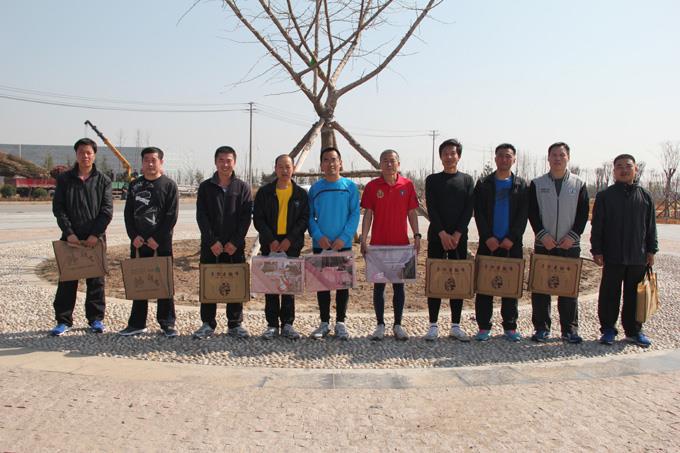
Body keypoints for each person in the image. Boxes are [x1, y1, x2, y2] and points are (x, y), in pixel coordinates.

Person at [591, 154, 658, 347]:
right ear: (614, 171)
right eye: (619, 166)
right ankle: (608, 329)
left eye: (628, 166)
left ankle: (634, 331)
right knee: (609, 294)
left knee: (634, 295)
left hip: (638, 255)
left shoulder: (645, 196)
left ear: (635, 169)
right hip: (613, 255)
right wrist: (597, 250)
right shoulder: (605, 196)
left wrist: (651, 250)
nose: (624, 170)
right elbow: (598, 226)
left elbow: (651, 226)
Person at [50, 137, 113, 336]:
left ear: (94, 155)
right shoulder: (64, 179)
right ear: (76, 155)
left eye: (88, 153)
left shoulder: (103, 180)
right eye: (81, 152)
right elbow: (59, 208)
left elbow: (107, 211)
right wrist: (69, 233)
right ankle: (63, 320)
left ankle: (95, 319)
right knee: (68, 280)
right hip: (71, 239)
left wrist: (95, 234)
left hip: (95, 239)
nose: (85, 156)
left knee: (96, 281)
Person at [528, 142, 589, 344]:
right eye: (554, 155)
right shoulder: (537, 184)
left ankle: (569, 329)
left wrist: (572, 236)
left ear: (568, 157)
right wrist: (542, 235)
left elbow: (583, 214)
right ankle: (541, 328)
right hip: (544, 244)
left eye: (561, 155)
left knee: (568, 289)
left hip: (568, 245)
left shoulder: (579, 184)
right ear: (548, 158)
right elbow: (532, 212)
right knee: (541, 289)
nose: (557, 158)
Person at [119, 147, 179, 337]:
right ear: (142, 163)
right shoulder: (135, 185)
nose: (150, 164)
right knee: (139, 282)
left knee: (164, 283)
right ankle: (137, 323)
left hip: (161, 243)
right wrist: (133, 236)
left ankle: (167, 323)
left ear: (161, 162)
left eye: (154, 160)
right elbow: (128, 214)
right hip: (139, 243)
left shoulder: (169, 185)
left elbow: (171, 216)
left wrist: (157, 238)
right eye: (146, 160)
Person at [194, 146, 253, 339]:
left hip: (234, 247)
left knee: (235, 283)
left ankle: (235, 324)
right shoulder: (205, 187)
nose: (225, 164)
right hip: (211, 246)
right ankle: (207, 323)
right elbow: (201, 216)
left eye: (229, 161)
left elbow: (245, 218)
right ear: (215, 162)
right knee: (209, 282)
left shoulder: (242, 187)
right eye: (221, 160)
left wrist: (235, 242)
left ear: (234, 163)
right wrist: (212, 241)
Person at [361, 149, 420, 341]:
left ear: (398, 164)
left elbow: (412, 212)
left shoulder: (407, 185)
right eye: (385, 161)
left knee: (399, 286)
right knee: (379, 286)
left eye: (392, 161)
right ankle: (380, 325)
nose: (388, 164)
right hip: (378, 246)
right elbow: (368, 214)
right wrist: (363, 238)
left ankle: (398, 325)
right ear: (380, 164)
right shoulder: (372, 186)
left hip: (401, 246)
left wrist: (417, 235)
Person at [472, 143, 529, 342]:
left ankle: (510, 326)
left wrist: (511, 238)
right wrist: (487, 237)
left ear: (514, 159)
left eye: (508, 156)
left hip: (511, 245)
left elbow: (523, 215)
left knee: (510, 287)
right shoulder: (483, 183)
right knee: (484, 287)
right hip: (488, 243)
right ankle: (483, 326)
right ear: (495, 158)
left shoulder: (522, 185)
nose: (504, 159)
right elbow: (478, 212)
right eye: (501, 156)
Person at [253, 154, 310, 340]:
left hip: (291, 245)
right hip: (270, 244)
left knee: (288, 286)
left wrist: (290, 239)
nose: (284, 170)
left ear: (293, 169)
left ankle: (287, 324)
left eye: (288, 167)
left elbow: (304, 219)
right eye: (281, 167)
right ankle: (271, 325)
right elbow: (258, 218)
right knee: (270, 285)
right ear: (275, 169)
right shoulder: (265, 192)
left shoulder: (300, 194)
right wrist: (271, 240)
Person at [423, 138, 474, 342]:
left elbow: (468, 209)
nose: (449, 156)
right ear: (441, 157)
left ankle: (455, 325)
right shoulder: (432, 180)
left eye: (453, 153)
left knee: (457, 280)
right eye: (445, 153)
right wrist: (442, 233)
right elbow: (432, 208)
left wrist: (457, 234)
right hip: (437, 236)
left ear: (458, 156)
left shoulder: (467, 180)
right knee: (435, 279)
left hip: (459, 239)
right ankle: (433, 325)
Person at [307, 147, 360, 340]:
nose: (330, 163)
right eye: (326, 160)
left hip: (342, 244)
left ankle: (340, 322)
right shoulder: (315, 189)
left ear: (340, 163)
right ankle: (324, 322)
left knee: (342, 284)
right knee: (322, 284)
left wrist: (344, 237)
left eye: (334, 159)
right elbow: (309, 216)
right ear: (321, 165)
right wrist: (317, 235)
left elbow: (355, 214)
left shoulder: (350, 187)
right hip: (321, 244)